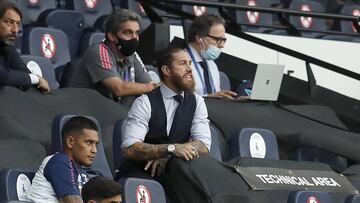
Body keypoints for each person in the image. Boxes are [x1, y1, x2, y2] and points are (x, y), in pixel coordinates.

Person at [118, 47, 211, 180]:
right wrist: (169, 148)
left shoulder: (197, 102)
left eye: (190, 63)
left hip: (174, 173)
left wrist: (171, 153)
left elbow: (204, 145)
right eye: (182, 63)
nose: (190, 69)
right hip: (140, 173)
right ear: (166, 70)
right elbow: (130, 148)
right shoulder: (144, 102)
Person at [67, 9, 157, 103]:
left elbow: (148, 84)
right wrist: (153, 87)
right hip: (84, 110)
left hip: (108, 109)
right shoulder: (99, 51)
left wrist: (154, 88)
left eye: (137, 33)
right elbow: (119, 89)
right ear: (111, 36)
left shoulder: (132, 55)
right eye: (128, 33)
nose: (134, 38)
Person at [27, 116, 99, 203]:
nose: (94, 150)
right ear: (70, 142)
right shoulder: (60, 162)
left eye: (96, 144)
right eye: (89, 142)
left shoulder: (82, 173)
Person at [0, 0, 49, 91]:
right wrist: (36, 79)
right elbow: (2, 76)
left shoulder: (8, 48)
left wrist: (30, 79)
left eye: (18, 24)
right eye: (9, 22)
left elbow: (25, 73)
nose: (15, 30)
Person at [186, 14, 237, 99]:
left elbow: (216, 97)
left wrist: (237, 101)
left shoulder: (211, 64)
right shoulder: (180, 62)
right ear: (199, 38)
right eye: (217, 40)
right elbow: (177, 99)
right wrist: (208, 98)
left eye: (223, 40)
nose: (221, 45)